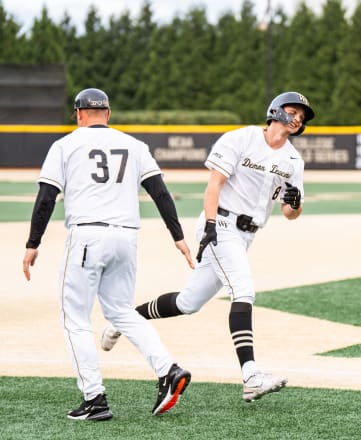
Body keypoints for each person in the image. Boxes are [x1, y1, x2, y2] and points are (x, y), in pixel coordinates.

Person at [100, 91, 314, 403]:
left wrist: (295, 206)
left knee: (189, 302)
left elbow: (289, 213)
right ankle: (251, 376)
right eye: (295, 110)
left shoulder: (294, 160)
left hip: (247, 235)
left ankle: (122, 319)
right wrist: (210, 227)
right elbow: (214, 184)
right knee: (243, 290)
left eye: (303, 116)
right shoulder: (240, 139)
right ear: (275, 110)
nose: (298, 118)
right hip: (222, 225)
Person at [22, 88, 194, 421]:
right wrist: (178, 236)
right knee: (121, 311)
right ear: (109, 114)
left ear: (78, 114)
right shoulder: (135, 145)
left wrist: (33, 243)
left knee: (75, 319)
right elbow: (160, 192)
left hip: (87, 235)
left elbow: (46, 198)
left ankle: (94, 399)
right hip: (126, 238)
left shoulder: (65, 145)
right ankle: (168, 369)